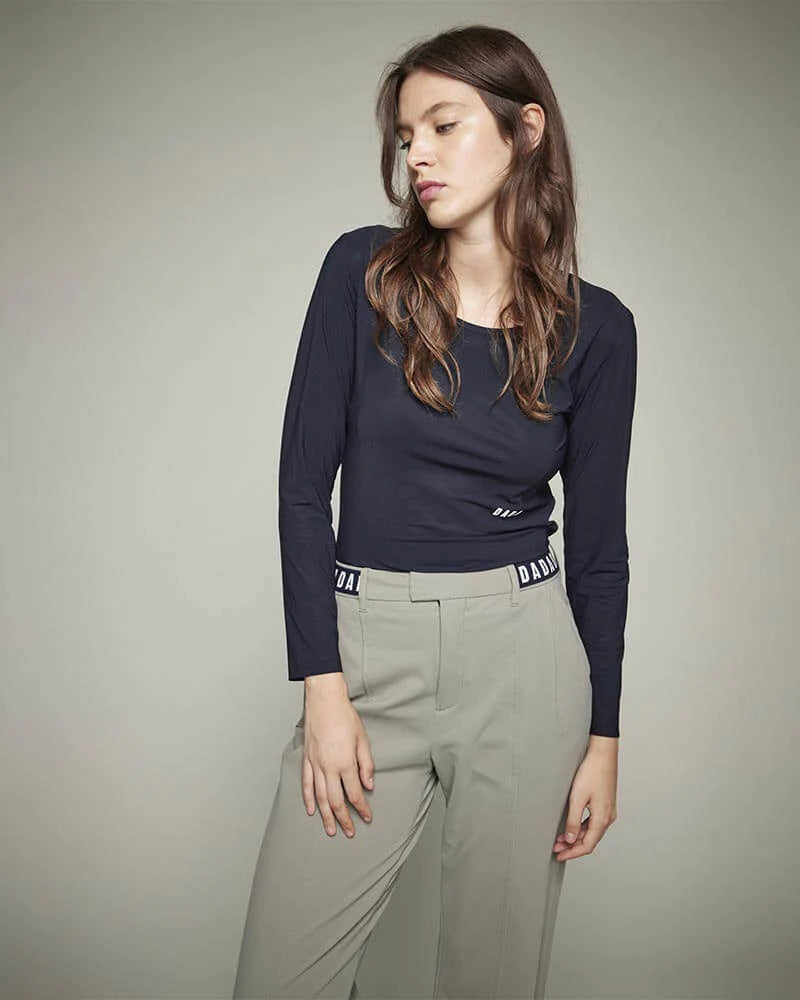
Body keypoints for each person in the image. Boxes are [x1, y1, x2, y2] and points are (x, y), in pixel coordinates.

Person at [233, 23, 637, 1000]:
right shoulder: (362, 274)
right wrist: (323, 688)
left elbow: (597, 552)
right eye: (406, 134)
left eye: (443, 125)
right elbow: (301, 490)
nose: (417, 153)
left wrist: (603, 738)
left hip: (525, 664)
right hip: (369, 653)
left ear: (524, 131)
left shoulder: (598, 331)